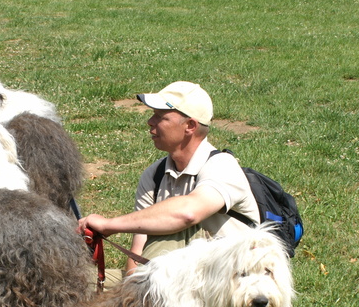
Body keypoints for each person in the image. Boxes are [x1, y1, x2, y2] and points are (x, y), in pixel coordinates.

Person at [78, 81, 259, 277]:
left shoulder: (222, 165)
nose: (150, 121)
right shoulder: (154, 174)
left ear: (190, 126)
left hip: (233, 282)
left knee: (168, 232)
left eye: (160, 116)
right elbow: (138, 252)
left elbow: (187, 214)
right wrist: (131, 290)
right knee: (78, 284)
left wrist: (108, 225)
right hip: (175, 281)